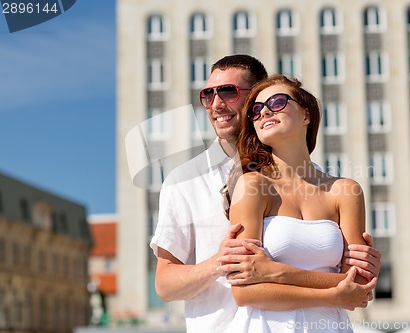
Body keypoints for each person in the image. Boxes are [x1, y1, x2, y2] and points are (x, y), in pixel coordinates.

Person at [150, 55, 381, 333]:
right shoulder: (183, 181)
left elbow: (354, 284)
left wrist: (361, 268)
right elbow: (164, 284)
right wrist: (218, 263)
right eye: (207, 95)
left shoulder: (331, 185)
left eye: (227, 91)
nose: (216, 104)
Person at [223, 74, 374, 332]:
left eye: (278, 101)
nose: (264, 112)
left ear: (306, 115)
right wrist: (333, 293)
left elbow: (357, 287)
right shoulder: (252, 186)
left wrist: (274, 272)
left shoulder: (345, 191)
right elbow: (244, 292)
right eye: (256, 110)